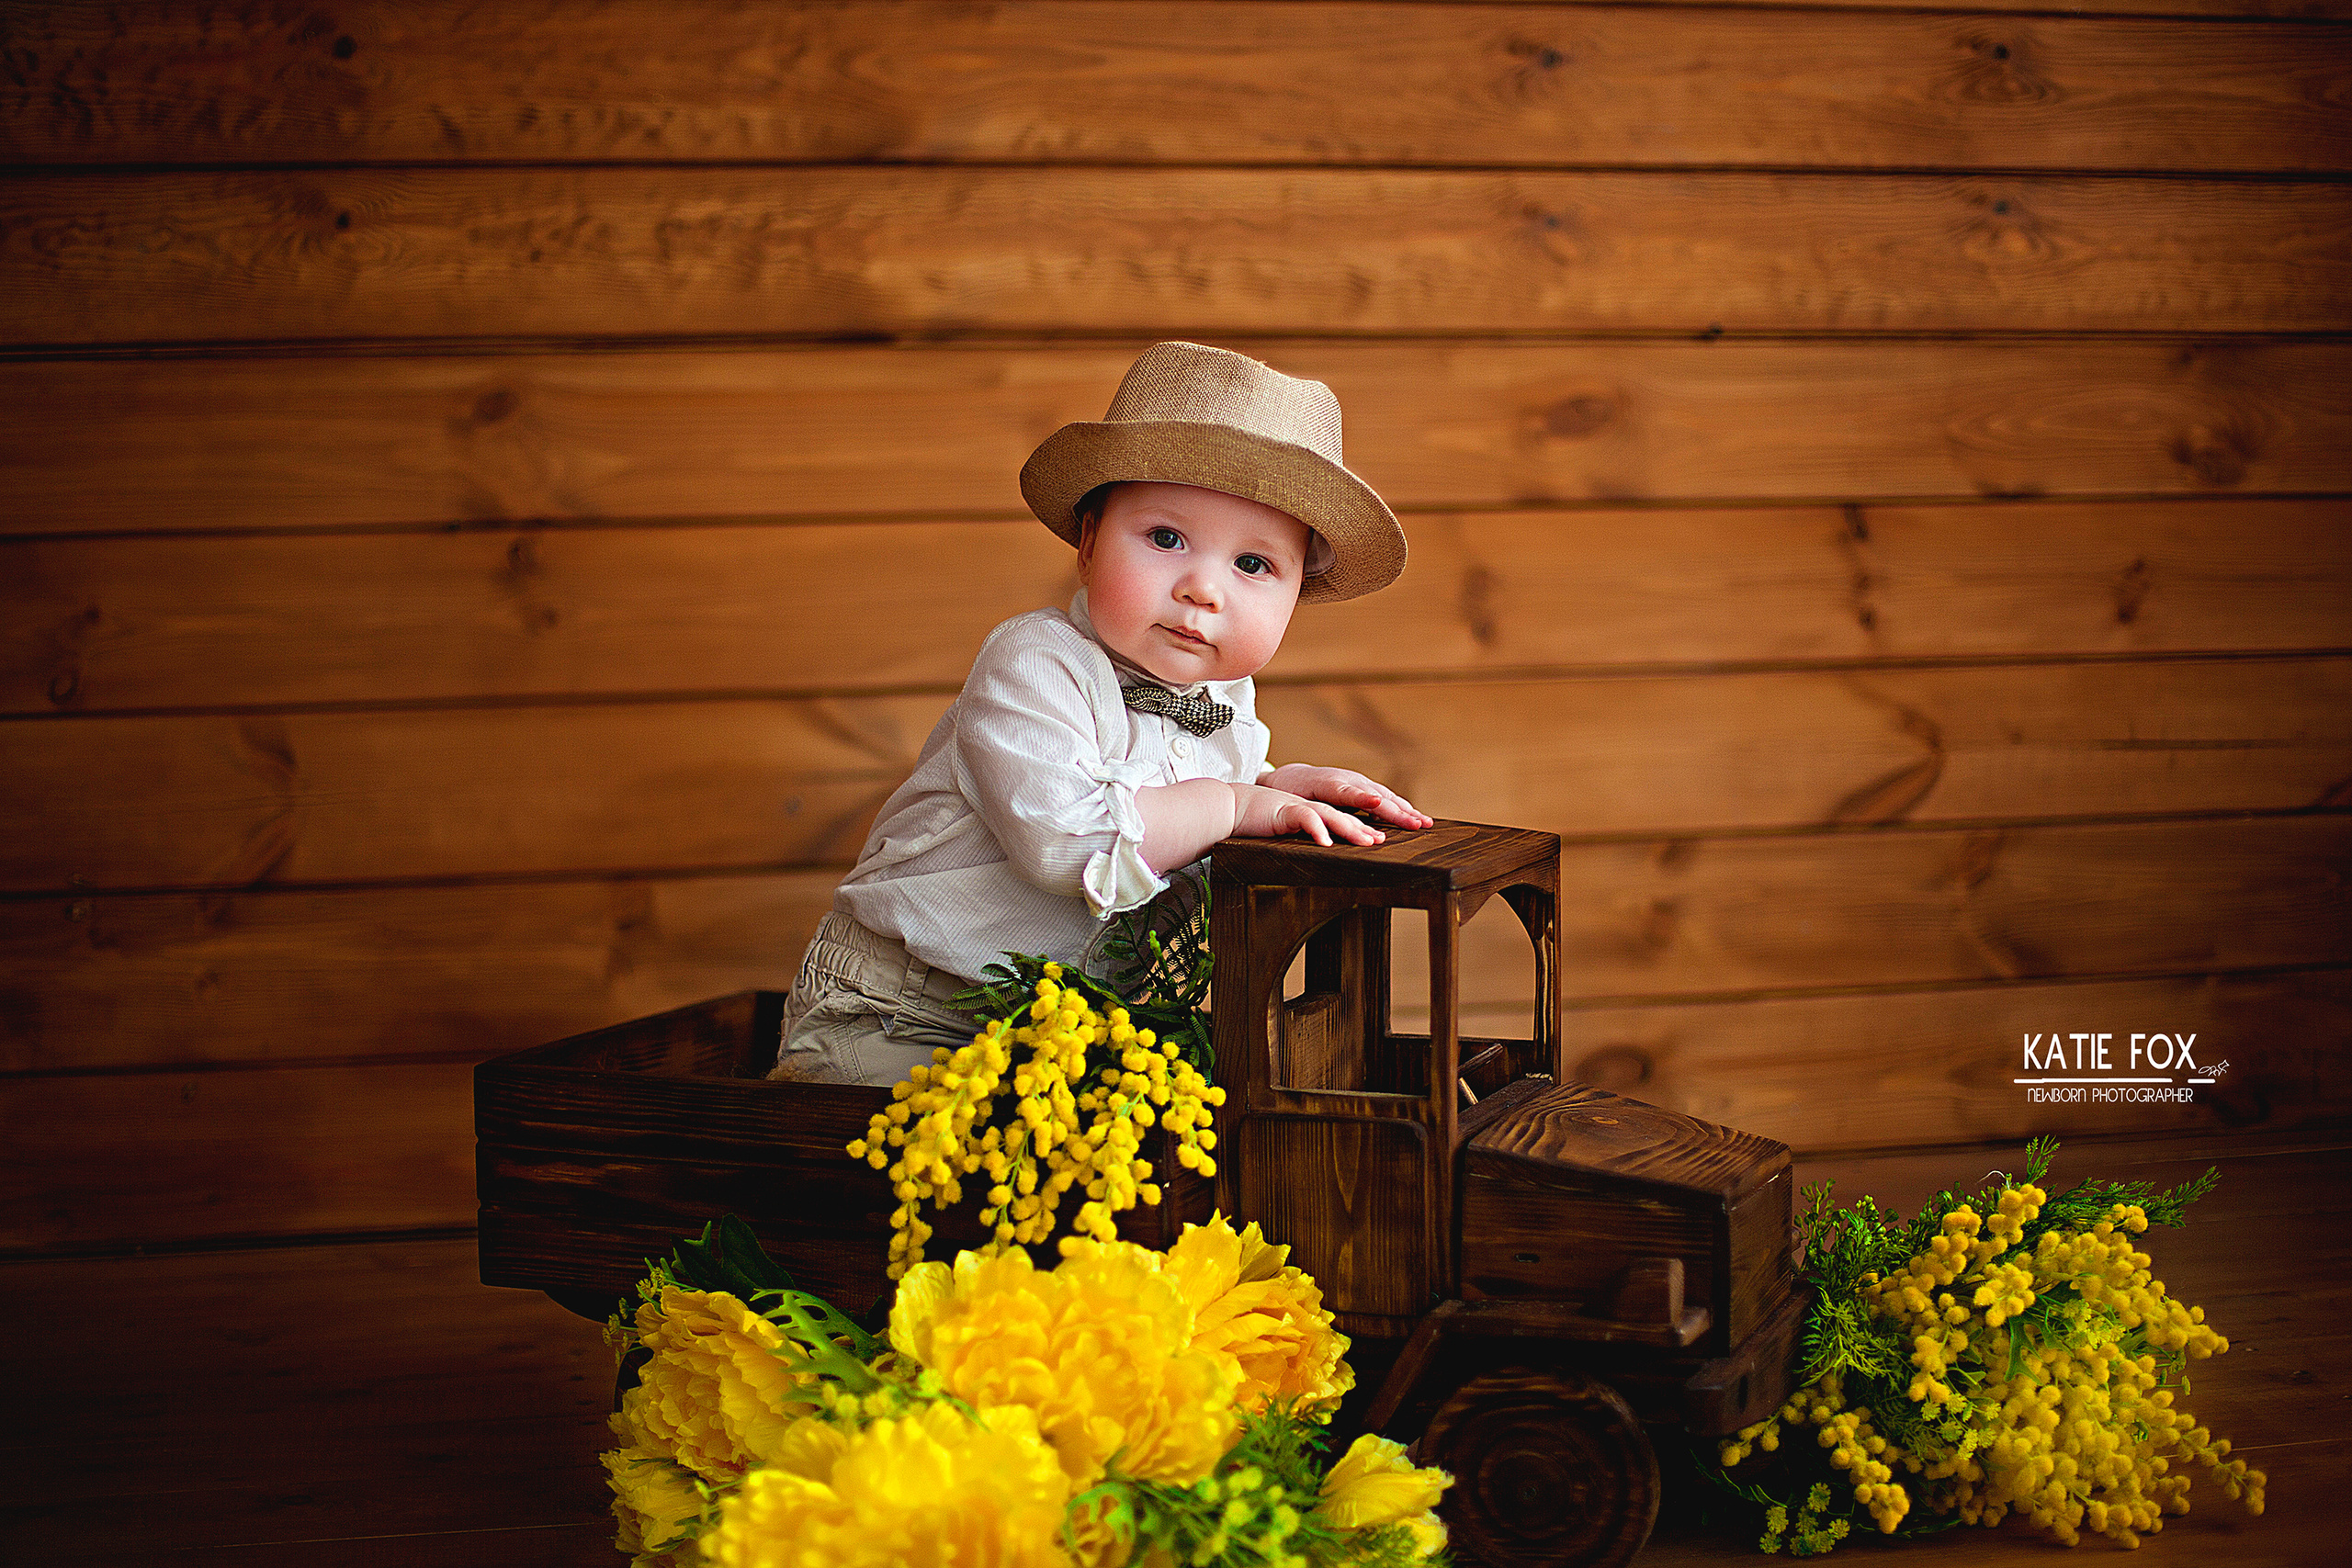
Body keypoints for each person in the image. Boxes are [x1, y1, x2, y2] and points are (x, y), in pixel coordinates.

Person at [772, 341, 1430, 1085]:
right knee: (947, 1150)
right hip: (900, 1007)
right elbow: (1072, 842)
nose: (1203, 589)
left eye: (1253, 564)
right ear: (1088, 544)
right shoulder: (1036, 664)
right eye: (1166, 538)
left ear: (1295, 597)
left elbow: (1193, 805)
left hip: (1058, 1032)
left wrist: (1278, 788)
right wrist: (1234, 803)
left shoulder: (1225, 704)